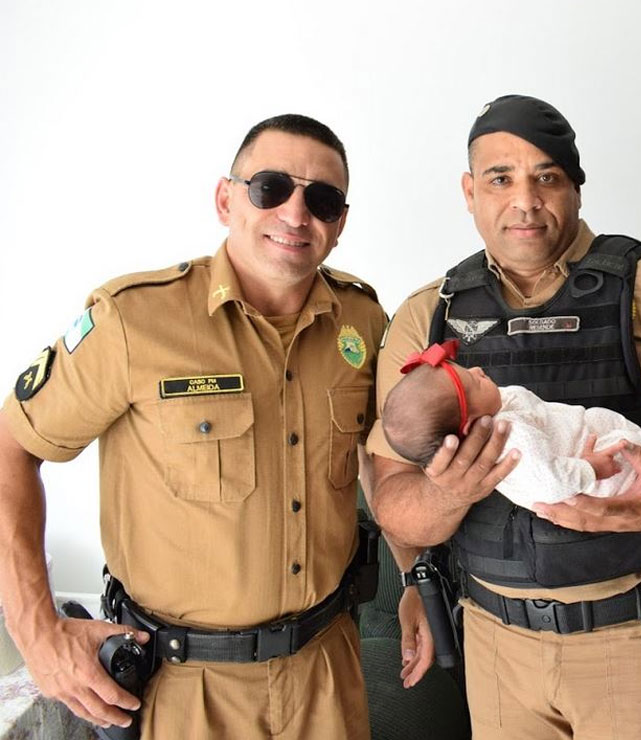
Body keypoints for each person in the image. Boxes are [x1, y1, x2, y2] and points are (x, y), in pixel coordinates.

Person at [365, 94, 641, 738]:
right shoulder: (429, 316)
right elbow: (394, 501)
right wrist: (448, 492)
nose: (525, 201)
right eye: (500, 179)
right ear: (469, 191)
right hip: (495, 643)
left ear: (576, 187)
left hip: (634, 636)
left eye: (547, 177)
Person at [0, 114, 388, 739]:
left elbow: (383, 460)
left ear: (339, 224)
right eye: (270, 188)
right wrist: (36, 632)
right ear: (226, 200)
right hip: (184, 691)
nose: (295, 214)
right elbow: (10, 448)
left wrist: (417, 576)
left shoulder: (363, 321)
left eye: (322, 200)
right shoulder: (133, 321)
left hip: (327, 674)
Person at [380, 339, 641, 508]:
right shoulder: (511, 438)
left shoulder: (495, 411)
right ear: (472, 425)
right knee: (624, 449)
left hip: (582, 441)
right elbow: (550, 483)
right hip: (593, 471)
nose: (478, 370)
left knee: (608, 427)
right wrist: (590, 469)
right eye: (473, 382)